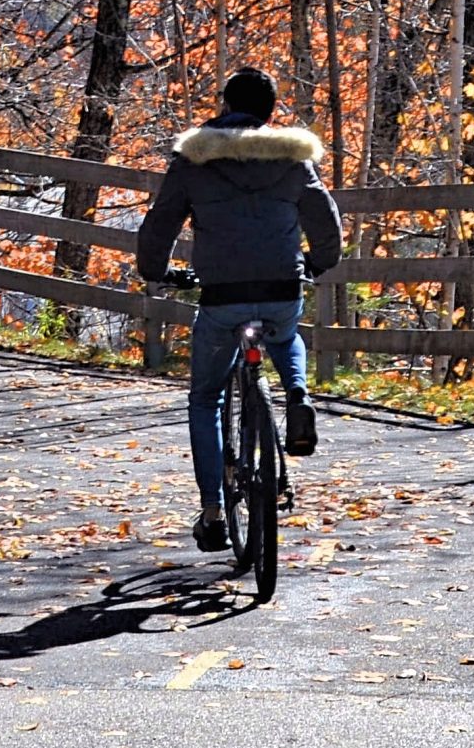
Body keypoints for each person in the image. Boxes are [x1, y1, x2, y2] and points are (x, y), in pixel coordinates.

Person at [135, 67, 343, 552]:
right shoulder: (294, 158)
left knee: (206, 398)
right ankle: (296, 394)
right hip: (280, 286)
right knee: (286, 334)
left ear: (227, 104)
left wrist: (155, 269)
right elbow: (324, 218)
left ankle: (212, 511)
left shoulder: (195, 157)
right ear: (271, 111)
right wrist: (318, 262)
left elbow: (161, 219)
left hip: (222, 294)